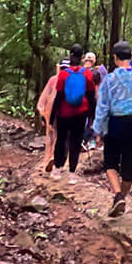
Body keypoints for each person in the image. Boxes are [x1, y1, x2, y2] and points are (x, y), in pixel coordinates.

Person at [94, 41, 132, 218]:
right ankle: (121, 198)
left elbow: (103, 106)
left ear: (115, 58)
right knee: (130, 164)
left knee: (110, 162)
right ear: (131, 56)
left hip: (115, 122)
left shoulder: (109, 79)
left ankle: (118, 195)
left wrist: (99, 130)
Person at [50, 44, 96, 178]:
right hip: (81, 113)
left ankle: (58, 169)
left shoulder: (64, 74)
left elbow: (58, 97)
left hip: (64, 113)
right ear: (82, 57)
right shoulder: (87, 73)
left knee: (61, 140)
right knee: (76, 141)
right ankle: (72, 173)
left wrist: (52, 117)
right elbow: (91, 95)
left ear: (70, 55)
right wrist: (91, 115)